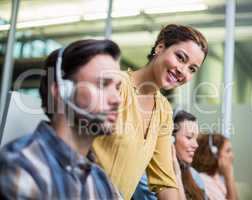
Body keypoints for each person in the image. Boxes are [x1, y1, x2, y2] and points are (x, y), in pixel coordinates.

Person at [92, 24, 208, 200]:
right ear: (160, 47)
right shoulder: (115, 84)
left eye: (192, 69)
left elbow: (164, 182)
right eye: (180, 57)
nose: (182, 71)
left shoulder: (163, 111)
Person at [0, 39, 123, 199]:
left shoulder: (102, 182)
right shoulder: (21, 166)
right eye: (102, 84)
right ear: (61, 91)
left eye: (117, 87)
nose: (117, 99)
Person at [132, 110, 207, 200]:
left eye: (196, 139)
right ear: (170, 140)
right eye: (189, 137)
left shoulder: (194, 175)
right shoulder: (147, 177)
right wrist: (176, 175)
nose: (196, 145)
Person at [192, 133, 239, 200]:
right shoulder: (203, 180)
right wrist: (229, 177)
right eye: (228, 151)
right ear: (214, 154)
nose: (232, 156)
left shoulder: (218, 177)